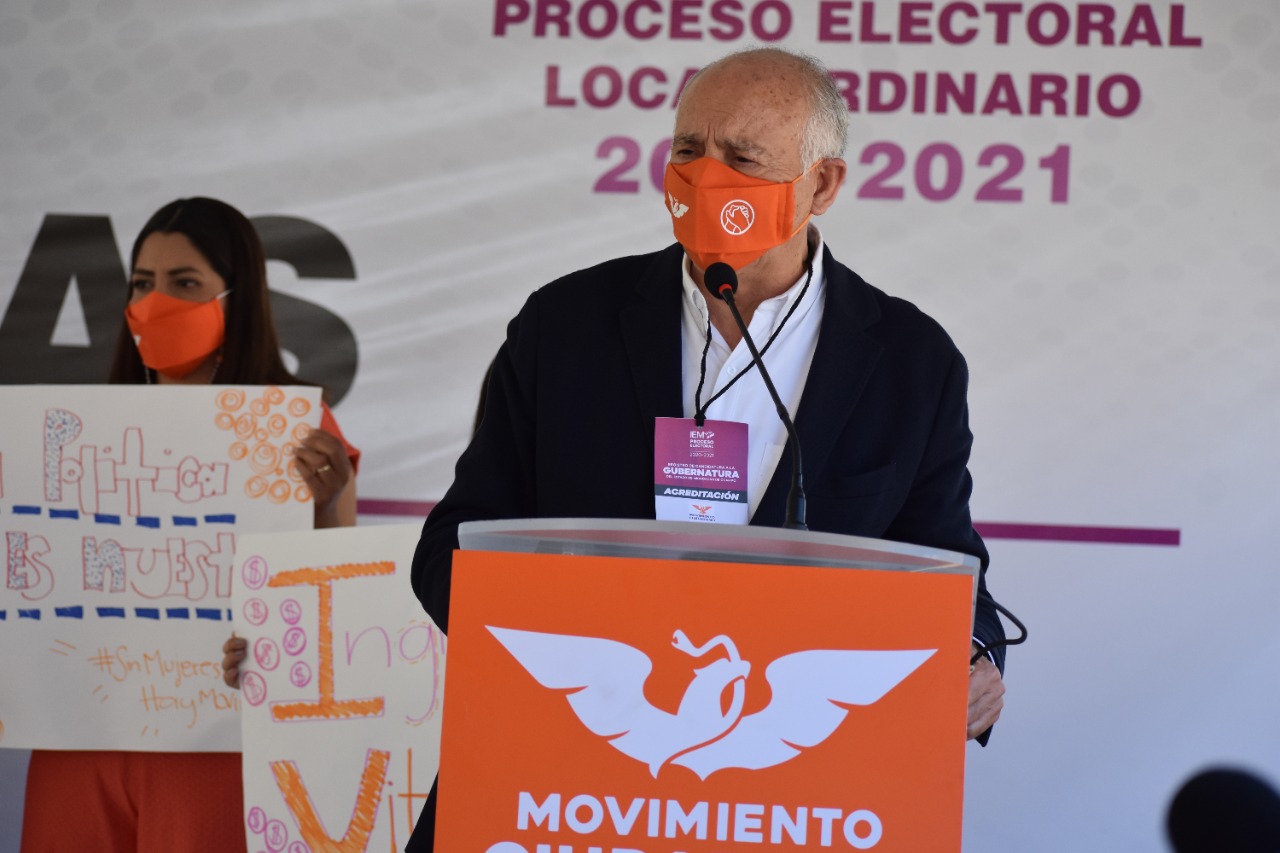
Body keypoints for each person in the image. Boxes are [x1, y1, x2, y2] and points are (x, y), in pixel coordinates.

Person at [408, 47, 1008, 850]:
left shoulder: (911, 360)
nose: (704, 178)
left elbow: (945, 562)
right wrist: (566, 638)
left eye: (743, 158)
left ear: (823, 185)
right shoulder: (566, 324)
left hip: (792, 804)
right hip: (561, 791)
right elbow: (452, 547)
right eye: (688, 149)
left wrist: (972, 661)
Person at [21, 197, 360, 853]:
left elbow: (335, 606)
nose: (156, 302)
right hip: (78, 738)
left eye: (185, 283)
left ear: (239, 297)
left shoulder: (299, 432)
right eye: (142, 283)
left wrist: (322, 512)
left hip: (216, 743)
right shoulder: (75, 433)